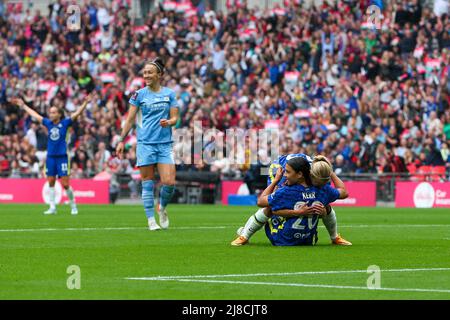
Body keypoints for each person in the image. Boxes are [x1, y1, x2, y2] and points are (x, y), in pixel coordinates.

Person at [232, 153, 352, 245]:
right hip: (306, 240)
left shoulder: (317, 183)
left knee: (324, 206)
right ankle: (245, 234)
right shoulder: (317, 188)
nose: (285, 175)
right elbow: (343, 192)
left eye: (288, 172)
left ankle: (335, 237)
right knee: (272, 205)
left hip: (285, 238)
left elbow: (262, 202)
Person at [116, 57, 179, 231]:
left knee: (169, 182)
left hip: (164, 144)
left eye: (150, 72)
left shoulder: (169, 94)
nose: (146, 75)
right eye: (144, 72)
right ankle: (151, 220)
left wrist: (170, 122)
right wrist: (121, 140)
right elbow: (129, 120)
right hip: (145, 144)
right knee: (147, 181)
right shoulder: (139, 95)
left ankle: (162, 208)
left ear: (159, 74)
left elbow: (175, 118)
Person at [11, 94, 92, 215]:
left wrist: (85, 103)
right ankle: (52, 207)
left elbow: (76, 114)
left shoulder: (65, 123)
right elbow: (35, 115)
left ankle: (73, 205)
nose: (51, 114)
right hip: (50, 157)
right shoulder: (48, 123)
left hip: (62, 157)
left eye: (54, 112)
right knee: (51, 181)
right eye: (50, 112)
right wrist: (23, 106)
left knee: (65, 184)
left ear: (59, 114)